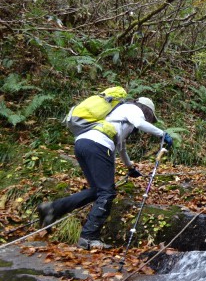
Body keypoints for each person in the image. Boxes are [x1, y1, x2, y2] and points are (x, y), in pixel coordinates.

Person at [37, 97, 173, 249]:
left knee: (98, 191)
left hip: (82, 143)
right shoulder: (133, 109)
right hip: (99, 145)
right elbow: (140, 123)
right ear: (146, 110)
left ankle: (53, 208)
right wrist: (162, 134)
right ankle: (88, 237)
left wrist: (130, 168)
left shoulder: (116, 115)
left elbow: (121, 148)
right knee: (107, 193)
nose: (148, 119)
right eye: (150, 116)